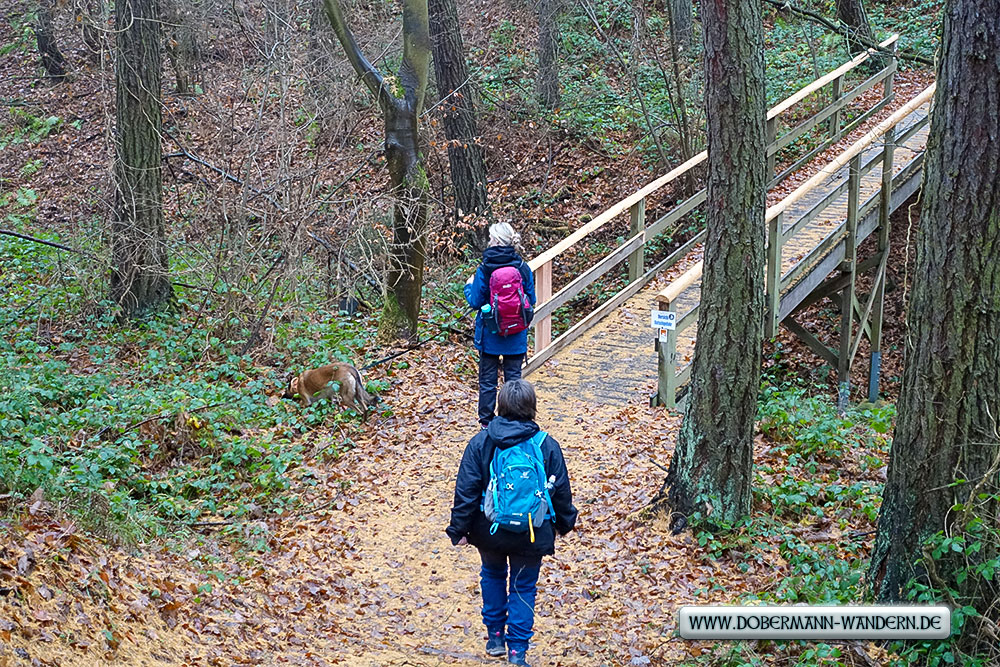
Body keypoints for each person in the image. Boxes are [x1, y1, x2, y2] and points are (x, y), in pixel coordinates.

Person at [446, 380, 577, 666]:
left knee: (492, 575)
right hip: (532, 530)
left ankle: (495, 638)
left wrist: (459, 529)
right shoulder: (546, 444)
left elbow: (466, 490)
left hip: (489, 528)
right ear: (532, 407)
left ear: (500, 406)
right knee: (523, 586)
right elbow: (561, 491)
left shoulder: (481, 442)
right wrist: (565, 524)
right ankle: (517, 651)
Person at [465, 222, 536, 428]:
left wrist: (468, 286)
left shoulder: (485, 268)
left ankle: (486, 424)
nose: (488, 241)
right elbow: (531, 299)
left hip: (490, 334)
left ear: (496, 241)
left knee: (488, 382)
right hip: (516, 334)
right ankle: (514, 421)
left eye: (490, 238)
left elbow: (476, 301)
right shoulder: (522, 267)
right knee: (513, 381)